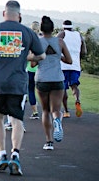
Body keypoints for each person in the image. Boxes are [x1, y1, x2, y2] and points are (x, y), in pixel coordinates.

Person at [0, 0, 45, 176]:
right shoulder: (28, 32)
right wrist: (26, 57)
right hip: (17, 82)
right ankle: (15, 154)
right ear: (19, 15)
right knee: (16, 119)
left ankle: (2, 154)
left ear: (4, 13)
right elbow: (41, 55)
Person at [33, 16, 72, 150]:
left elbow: (33, 63)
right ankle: (57, 120)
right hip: (57, 78)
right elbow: (69, 61)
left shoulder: (37, 42)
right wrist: (57, 55)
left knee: (45, 110)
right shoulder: (60, 42)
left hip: (42, 79)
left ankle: (48, 141)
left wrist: (42, 56)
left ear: (41, 29)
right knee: (56, 109)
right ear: (53, 29)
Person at [57, 20, 87, 118]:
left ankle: (66, 111)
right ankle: (77, 100)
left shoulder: (62, 34)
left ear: (63, 27)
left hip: (63, 65)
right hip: (75, 65)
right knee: (74, 85)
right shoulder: (79, 35)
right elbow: (84, 51)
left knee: (63, 87)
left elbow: (53, 44)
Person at [27, 21, 42, 119]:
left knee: (31, 90)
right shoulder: (42, 39)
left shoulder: (29, 38)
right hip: (41, 69)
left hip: (31, 69)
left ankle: (35, 111)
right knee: (42, 91)